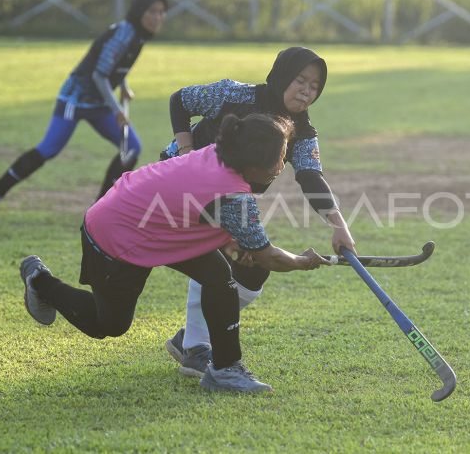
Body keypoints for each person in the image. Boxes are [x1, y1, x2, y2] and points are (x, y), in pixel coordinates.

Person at [19, 113, 330, 393]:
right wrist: (303, 262)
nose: (281, 166)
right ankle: (41, 283)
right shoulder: (235, 195)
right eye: (278, 160)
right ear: (253, 164)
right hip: (116, 234)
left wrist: (235, 243)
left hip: (149, 223)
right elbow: (268, 257)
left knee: (218, 276)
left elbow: (199, 211)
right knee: (110, 325)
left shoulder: (218, 155)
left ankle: (224, 369)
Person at [160, 47, 358, 377]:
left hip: (229, 200)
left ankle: (192, 338)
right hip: (177, 184)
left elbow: (310, 177)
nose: (307, 90)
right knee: (218, 258)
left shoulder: (303, 132)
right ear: (282, 75)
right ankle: (196, 349)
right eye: (300, 80)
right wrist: (186, 152)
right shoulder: (233, 95)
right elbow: (179, 101)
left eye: (315, 85)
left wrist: (339, 226)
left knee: (253, 271)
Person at [0, 0, 168, 218]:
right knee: (48, 149)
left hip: (98, 102)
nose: (158, 17)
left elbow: (114, 65)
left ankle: (100, 210)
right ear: (139, 12)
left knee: (131, 147)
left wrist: (124, 86)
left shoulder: (137, 35)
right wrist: (117, 109)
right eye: (153, 11)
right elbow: (99, 74)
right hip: (75, 99)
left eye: (161, 12)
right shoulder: (125, 34)